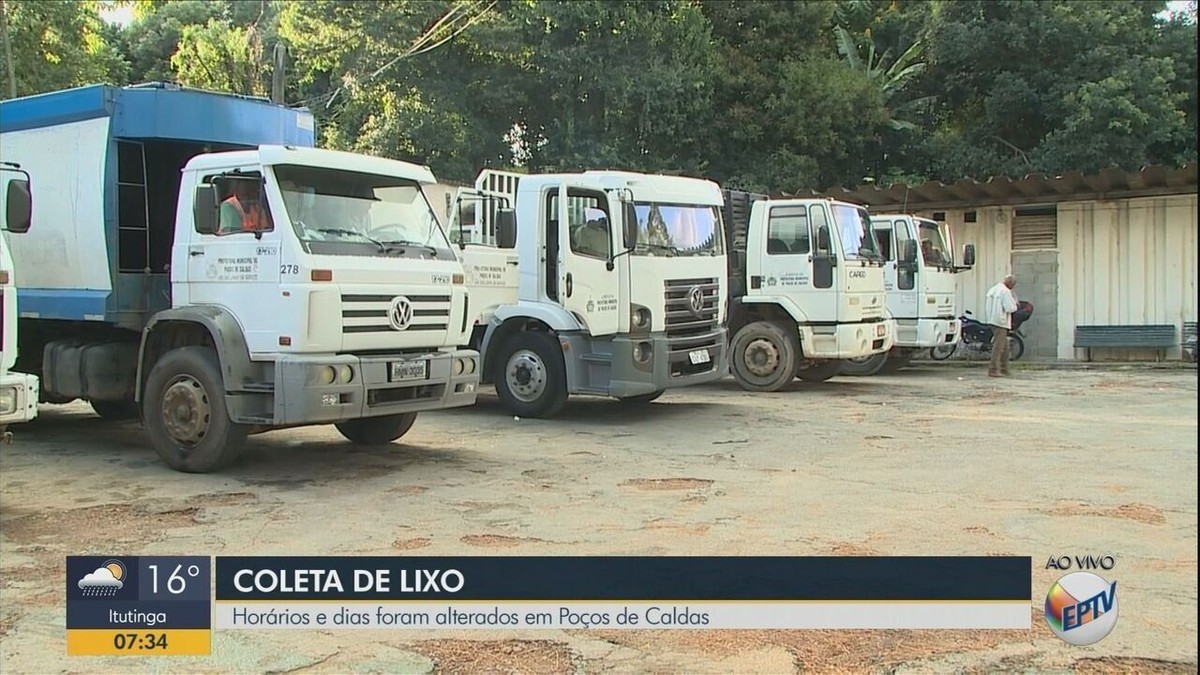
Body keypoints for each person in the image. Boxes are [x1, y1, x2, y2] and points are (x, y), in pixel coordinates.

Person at [985, 274, 1018, 377]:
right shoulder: (1005, 292)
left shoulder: (993, 289)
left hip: (992, 319)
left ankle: (1004, 368)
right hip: (1001, 321)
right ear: (1011, 284)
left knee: (1005, 346)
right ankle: (993, 369)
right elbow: (1010, 308)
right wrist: (1015, 304)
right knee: (999, 347)